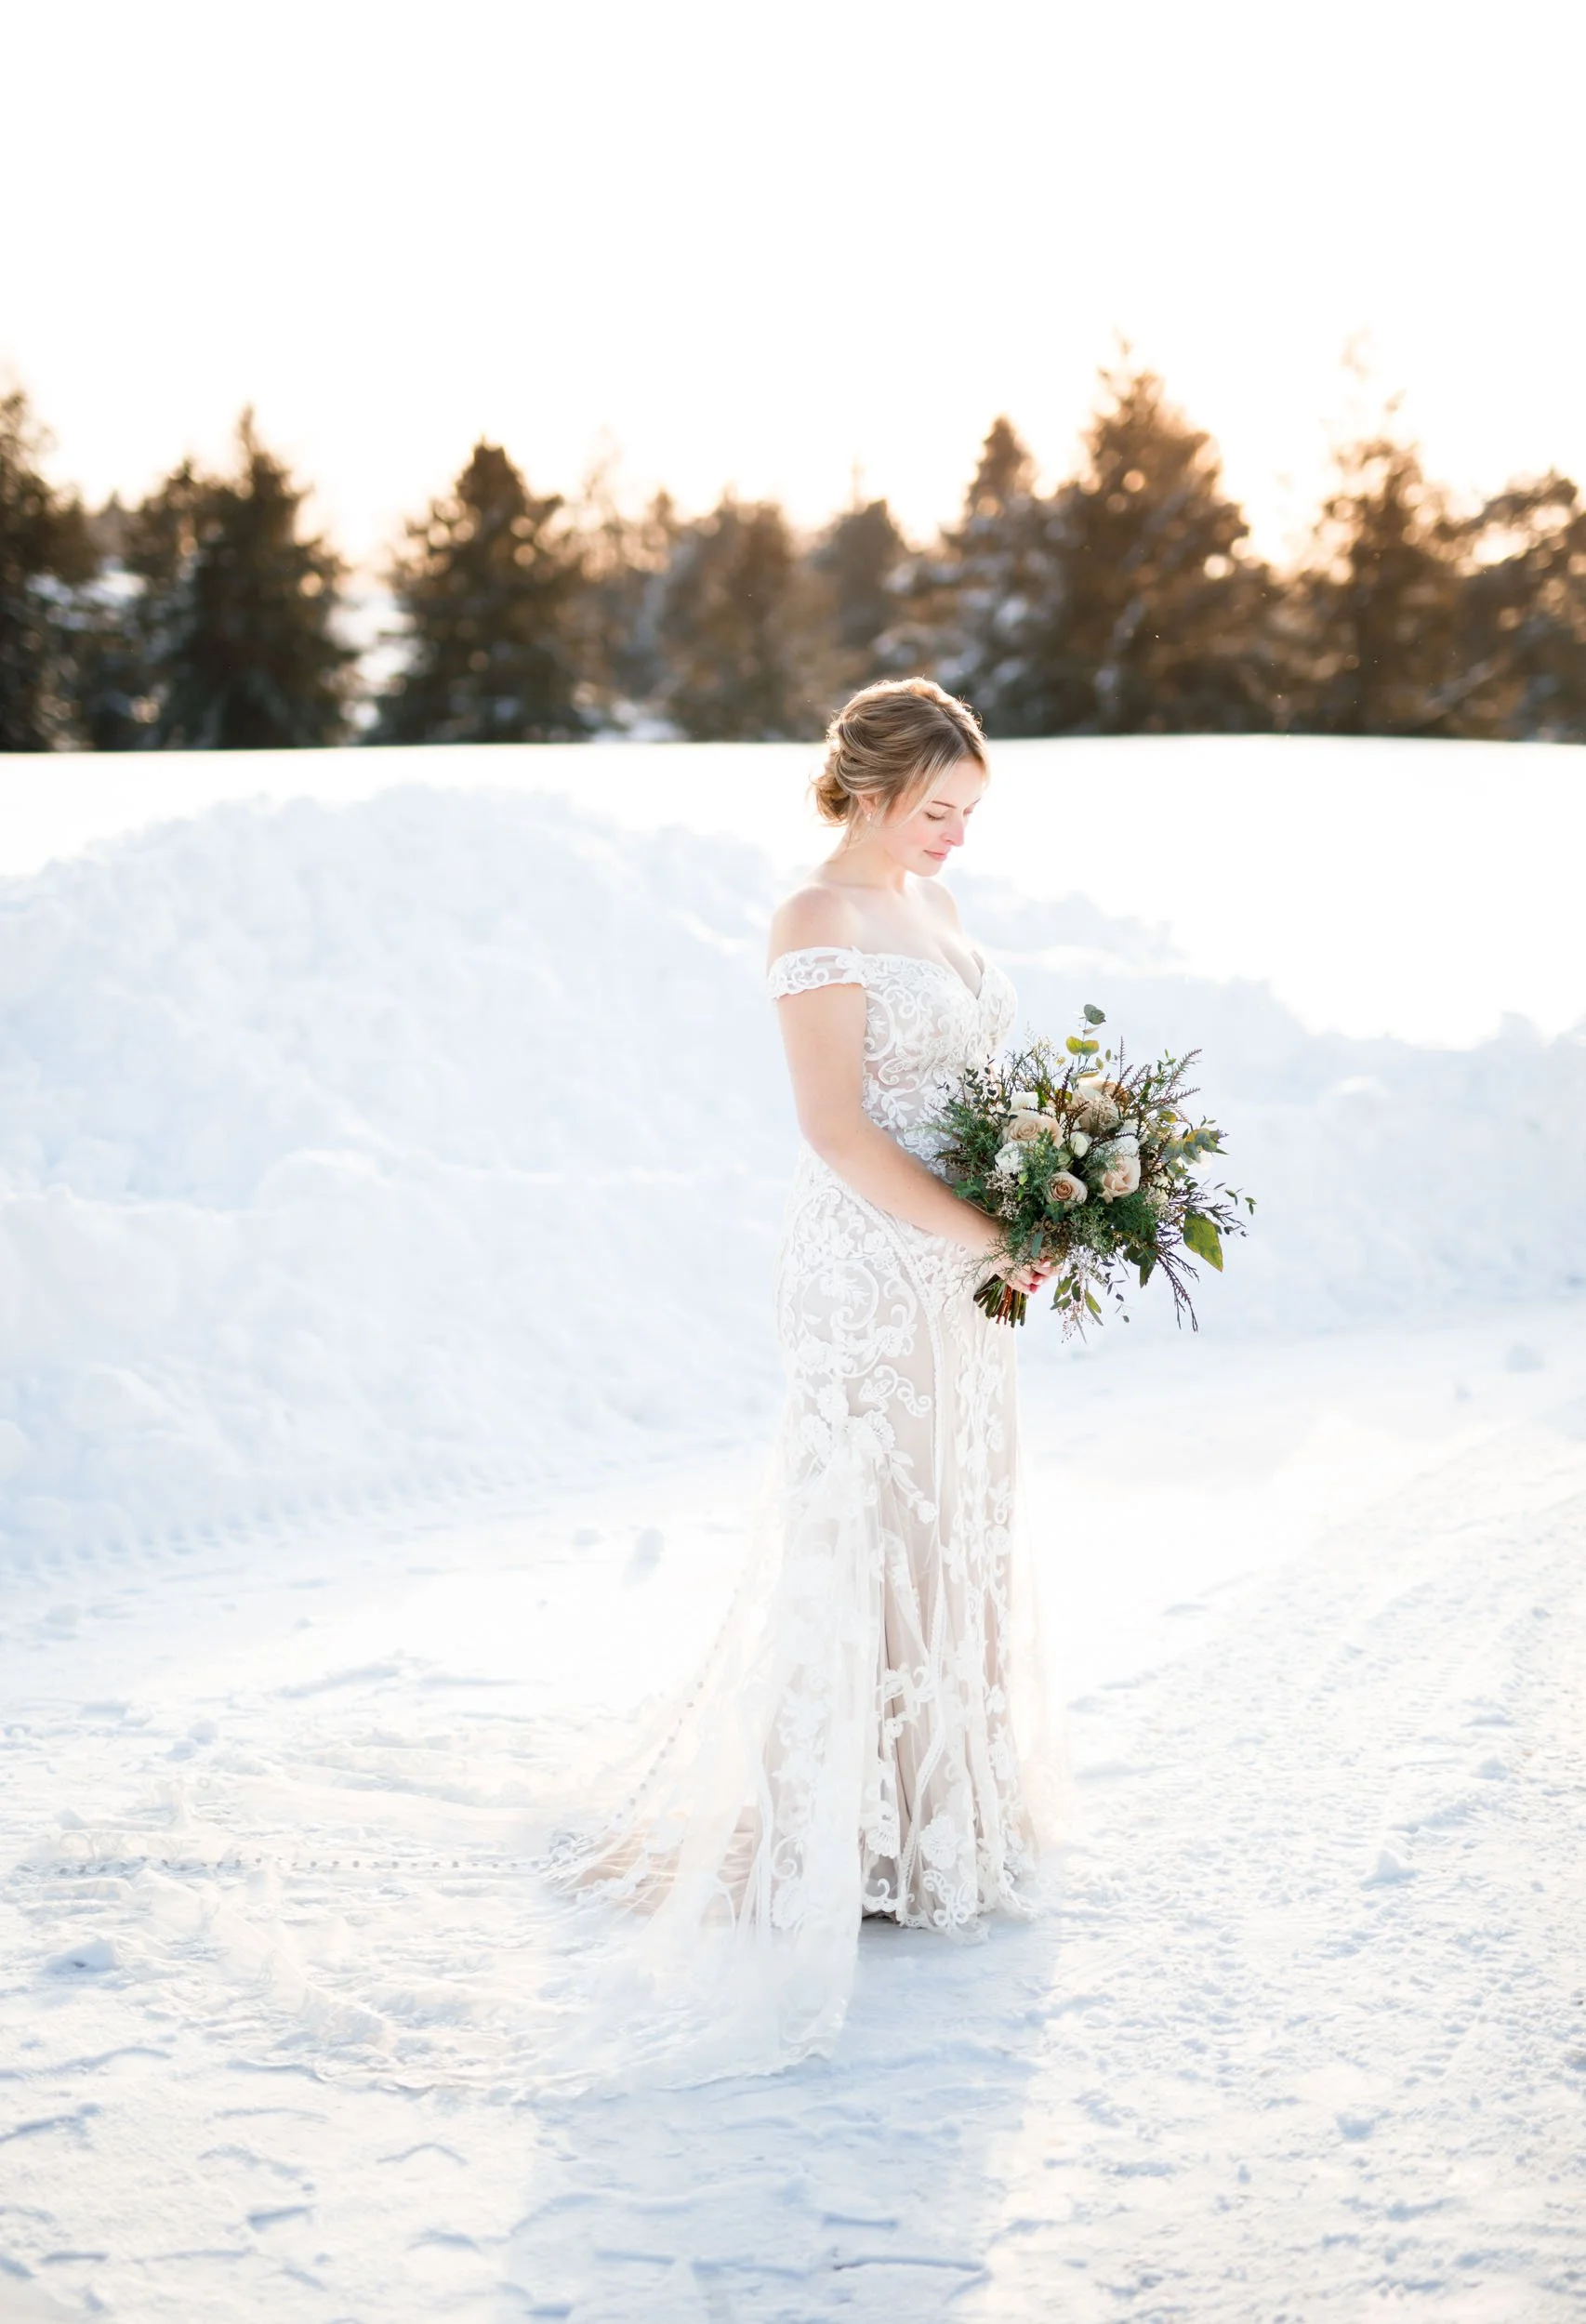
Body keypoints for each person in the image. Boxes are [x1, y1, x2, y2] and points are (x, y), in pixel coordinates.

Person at [544, 679, 1062, 2089]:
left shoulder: (939, 914)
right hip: (868, 1273)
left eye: (970, 813)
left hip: (962, 1272)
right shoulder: (815, 920)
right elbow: (836, 1129)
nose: (956, 835)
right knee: (868, 1531)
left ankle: (927, 1818)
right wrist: (993, 1235)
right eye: (938, 808)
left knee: (954, 1521)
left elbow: (971, 1098)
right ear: (873, 788)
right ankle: (831, 1829)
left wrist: (1038, 1196)